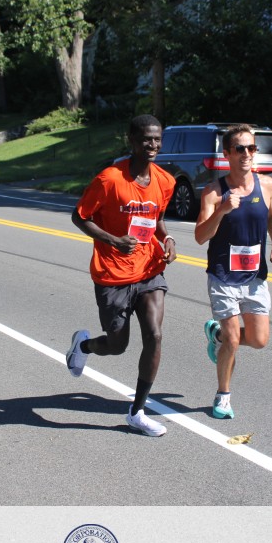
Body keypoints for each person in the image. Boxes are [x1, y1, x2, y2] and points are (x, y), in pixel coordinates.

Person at [65, 114, 177, 437]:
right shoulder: (109, 179)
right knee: (117, 345)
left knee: (155, 335)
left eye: (157, 139)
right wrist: (113, 240)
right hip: (112, 271)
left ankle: (137, 411)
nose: (153, 145)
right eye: (146, 139)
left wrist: (167, 239)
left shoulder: (165, 181)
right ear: (132, 140)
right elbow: (79, 216)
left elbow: (156, 219)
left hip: (149, 268)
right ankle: (84, 346)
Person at [194, 123, 272, 419]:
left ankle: (217, 336)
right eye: (240, 149)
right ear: (227, 154)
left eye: (251, 148)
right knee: (234, 339)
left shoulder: (267, 185)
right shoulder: (213, 192)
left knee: (259, 340)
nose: (247, 154)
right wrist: (222, 209)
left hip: (254, 276)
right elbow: (200, 236)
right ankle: (223, 395)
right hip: (223, 276)